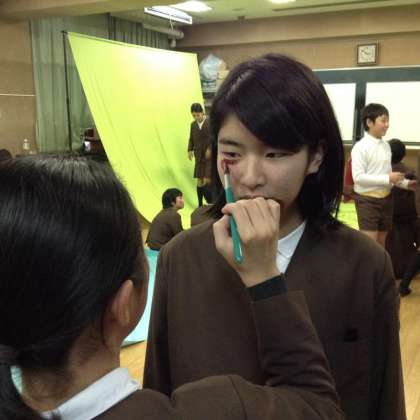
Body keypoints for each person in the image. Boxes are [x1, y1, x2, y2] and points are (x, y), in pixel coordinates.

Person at [144, 54, 406, 420]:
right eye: (232, 153)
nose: (251, 177)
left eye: (275, 154)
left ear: (315, 157)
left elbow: (383, 395)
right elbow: (158, 390)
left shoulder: (364, 264)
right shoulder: (181, 257)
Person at [0, 155, 344, 420]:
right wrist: (266, 278)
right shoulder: (216, 409)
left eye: (275, 153)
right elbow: (318, 407)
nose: (252, 177)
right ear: (123, 304)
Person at [351, 103, 414, 248]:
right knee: (370, 246)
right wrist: (388, 178)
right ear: (369, 122)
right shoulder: (360, 147)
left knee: (381, 244)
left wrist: (407, 184)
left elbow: (388, 175)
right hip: (367, 201)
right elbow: (358, 178)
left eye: (388, 121)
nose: (387, 125)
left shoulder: (386, 146)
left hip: (386, 200)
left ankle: (380, 265)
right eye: (383, 120)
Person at [385, 139, 418, 280]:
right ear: (403, 154)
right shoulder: (410, 173)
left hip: (388, 215)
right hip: (409, 217)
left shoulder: (383, 173)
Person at [187, 103, 212, 206]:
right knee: (199, 180)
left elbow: (215, 137)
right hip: (198, 156)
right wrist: (189, 150)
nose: (196, 117)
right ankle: (200, 204)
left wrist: (210, 148)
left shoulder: (210, 122)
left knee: (207, 180)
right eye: (194, 116)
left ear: (202, 112)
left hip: (209, 156)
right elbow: (191, 139)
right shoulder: (193, 125)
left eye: (198, 115)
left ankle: (211, 203)